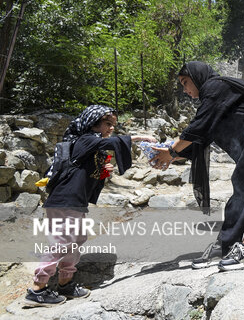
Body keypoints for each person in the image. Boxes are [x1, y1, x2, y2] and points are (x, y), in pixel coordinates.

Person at [152, 61, 244, 271]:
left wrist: (172, 151)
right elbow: (201, 138)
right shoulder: (215, 96)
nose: (184, 90)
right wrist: (171, 156)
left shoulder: (214, 86)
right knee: (243, 185)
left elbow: (198, 126)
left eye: (185, 82)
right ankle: (226, 244)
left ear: (197, 77)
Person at [24, 105, 155, 307]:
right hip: (63, 201)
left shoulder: (93, 146)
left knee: (76, 240)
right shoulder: (84, 140)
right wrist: (138, 138)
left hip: (75, 202)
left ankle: (65, 283)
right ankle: (38, 288)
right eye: (107, 124)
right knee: (61, 241)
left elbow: (86, 172)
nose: (111, 128)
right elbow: (111, 142)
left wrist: (102, 170)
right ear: (92, 123)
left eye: (113, 125)